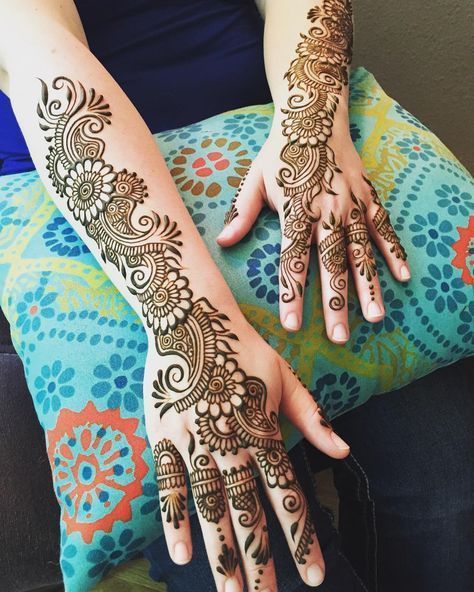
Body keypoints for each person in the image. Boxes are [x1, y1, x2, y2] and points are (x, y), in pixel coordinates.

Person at [0, 2, 471, 592]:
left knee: (451, 487)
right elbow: (35, 50)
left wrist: (308, 134)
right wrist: (190, 326)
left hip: (273, 129)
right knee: (257, 555)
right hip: (84, 206)